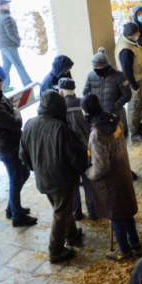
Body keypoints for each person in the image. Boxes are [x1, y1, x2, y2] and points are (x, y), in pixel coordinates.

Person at [20, 91, 87, 264]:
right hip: (61, 179)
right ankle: (55, 251)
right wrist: (84, 169)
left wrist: (35, 169)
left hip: (44, 178)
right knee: (60, 212)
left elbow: (23, 154)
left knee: (62, 209)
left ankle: (71, 235)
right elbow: (75, 156)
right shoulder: (61, 128)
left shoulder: (30, 124)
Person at [83, 94, 142, 261]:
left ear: (87, 111)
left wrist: (89, 173)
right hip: (123, 172)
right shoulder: (115, 121)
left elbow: (101, 166)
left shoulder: (96, 134)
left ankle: (124, 251)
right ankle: (136, 245)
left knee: (116, 215)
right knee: (127, 212)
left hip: (110, 181)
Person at [0, 72, 36, 227]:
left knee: (22, 174)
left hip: (13, 144)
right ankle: (17, 217)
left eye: (0, 86)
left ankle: (12, 208)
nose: (0, 89)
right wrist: (16, 112)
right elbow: (15, 122)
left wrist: (14, 111)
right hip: (7, 148)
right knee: (15, 179)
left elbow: (12, 111)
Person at [58, 78, 97, 222]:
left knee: (73, 186)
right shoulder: (83, 103)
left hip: (69, 154)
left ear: (61, 91)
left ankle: (77, 213)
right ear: (74, 89)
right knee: (89, 183)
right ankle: (93, 212)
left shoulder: (60, 109)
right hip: (86, 151)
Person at [83, 48, 134, 135]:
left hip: (116, 115)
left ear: (104, 66)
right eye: (93, 66)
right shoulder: (91, 75)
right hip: (98, 118)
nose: (94, 68)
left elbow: (127, 94)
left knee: (119, 139)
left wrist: (114, 106)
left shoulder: (119, 76)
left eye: (96, 66)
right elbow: (86, 93)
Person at [114, 23, 142, 143]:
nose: (138, 34)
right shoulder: (126, 50)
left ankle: (138, 124)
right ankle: (134, 132)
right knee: (134, 106)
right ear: (130, 35)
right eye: (136, 33)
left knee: (139, 103)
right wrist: (134, 86)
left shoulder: (129, 42)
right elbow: (127, 70)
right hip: (133, 81)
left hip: (138, 77)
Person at [0, 0, 33, 90]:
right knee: (18, 65)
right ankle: (28, 84)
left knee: (6, 67)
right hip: (9, 45)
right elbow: (11, 33)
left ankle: (4, 87)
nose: (8, 5)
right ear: (3, 6)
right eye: (7, 4)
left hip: (3, 45)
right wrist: (17, 41)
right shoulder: (7, 18)